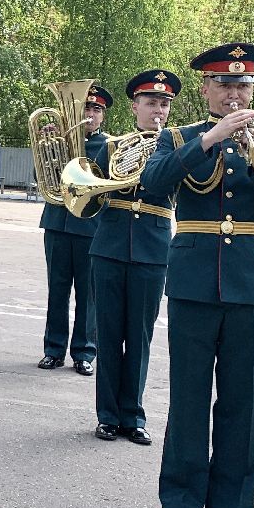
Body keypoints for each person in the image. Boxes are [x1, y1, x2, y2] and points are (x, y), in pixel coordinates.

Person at [140, 43, 254, 508]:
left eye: (243, 86)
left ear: (252, 89)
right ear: (207, 90)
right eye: (225, 85)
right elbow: (152, 186)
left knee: (245, 401)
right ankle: (180, 503)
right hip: (193, 281)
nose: (235, 93)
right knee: (189, 396)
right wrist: (210, 140)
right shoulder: (179, 138)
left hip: (252, 285)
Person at [89, 71, 181, 446]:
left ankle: (134, 415)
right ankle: (108, 416)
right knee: (109, 334)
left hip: (152, 248)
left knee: (140, 337)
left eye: (163, 104)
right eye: (150, 103)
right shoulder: (112, 147)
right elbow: (87, 191)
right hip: (110, 245)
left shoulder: (178, 148)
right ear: (135, 107)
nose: (157, 110)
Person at [38, 84, 111, 376]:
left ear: (102, 116)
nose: (90, 115)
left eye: (96, 110)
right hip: (57, 223)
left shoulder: (107, 146)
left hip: (90, 227)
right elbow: (39, 176)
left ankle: (84, 352)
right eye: (86, 109)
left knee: (88, 294)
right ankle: (53, 350)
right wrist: (48, 147)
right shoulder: (60, 141)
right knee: (56, 291)